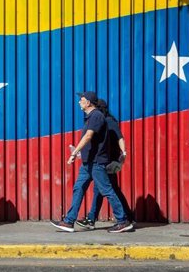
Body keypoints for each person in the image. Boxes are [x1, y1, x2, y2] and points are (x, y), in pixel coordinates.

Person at [51, 91, 133, 233]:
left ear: (88, 102)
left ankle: (123, 220)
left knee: (107, 190)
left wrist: (75, 152)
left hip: (96, 162)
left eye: (81, 100)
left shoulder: (96, 116)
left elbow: (89, 136)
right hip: (88, 162)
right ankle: (69, 221)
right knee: (79, 188)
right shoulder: (91, 117)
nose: (79, 102)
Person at [75, 99, 133, 230]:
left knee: (106, 189)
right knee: (105, 189)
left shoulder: (108, 121)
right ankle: (94, 218)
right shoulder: (100, 120)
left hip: (109, 160)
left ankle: (124, 218)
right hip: (104, 159)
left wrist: (123, 153)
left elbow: (120, 137)